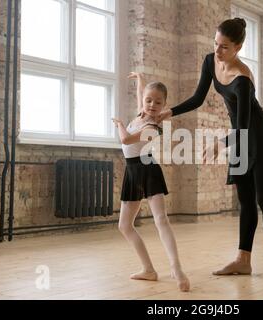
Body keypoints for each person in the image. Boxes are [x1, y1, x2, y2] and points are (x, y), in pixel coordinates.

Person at [158, 18, 263, 278]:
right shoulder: (210, 61)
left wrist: (220, 144)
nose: (218, 52)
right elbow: (198, 98)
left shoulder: (242, 78)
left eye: (224, 47)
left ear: (238, 48)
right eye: (216, 44)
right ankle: (243, 260)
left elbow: (243, 125)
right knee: (245, 201)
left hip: (258, 138)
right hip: (238, 138)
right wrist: (169, 112)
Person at [113, 72, 190, 292]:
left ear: (165, 105)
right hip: (132, 171)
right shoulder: (140, 113)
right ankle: (148, 269)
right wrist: (140, 80)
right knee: (124, 225)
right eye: (149, 100)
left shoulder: (152, 127)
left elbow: (126, 139)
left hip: (147, 169)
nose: (152, 105)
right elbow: (141, 94)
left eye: (158, 102)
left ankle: (177, 268)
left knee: (160, 220)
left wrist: (119, 123)